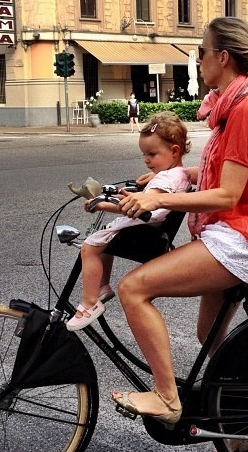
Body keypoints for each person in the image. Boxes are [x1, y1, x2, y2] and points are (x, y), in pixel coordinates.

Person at [111, 17, 248, 427]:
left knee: (133, 288)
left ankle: (167, 398)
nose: (198, 59)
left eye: (201, 52)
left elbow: (228, 194)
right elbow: (224, 172)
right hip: (236, 233)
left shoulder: (247, 110)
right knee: (209, 333)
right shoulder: (235, 105)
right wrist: (175, 176)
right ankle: (240, 425)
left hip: (243, 237)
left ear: (222, 57)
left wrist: (157, 198)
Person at [66, 112, 192, 331]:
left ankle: (89, 303)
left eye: (152, 154)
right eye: (144, 154)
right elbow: (143, 199)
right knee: (103, 239)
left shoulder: (165, 178)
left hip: (142, 230)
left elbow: (145, 208)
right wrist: (116, 194)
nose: (146, 160)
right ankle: (103, 287)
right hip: (149, 229)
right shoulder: (179, 175)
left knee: (89, 247)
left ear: (174, 151)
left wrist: (100, 204)